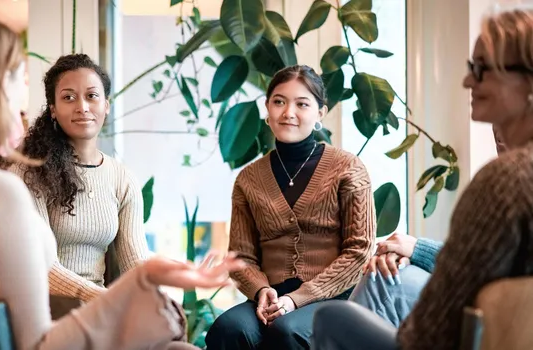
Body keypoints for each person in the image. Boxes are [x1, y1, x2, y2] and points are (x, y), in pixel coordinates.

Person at [0, 15, 244, 350]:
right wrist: (142, 281)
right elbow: (40, 345)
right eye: (19, 78)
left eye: (92, 96)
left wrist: (144, 277)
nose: (22, 93)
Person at [313, 5, 533, 350]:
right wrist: (416, 251)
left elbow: (445, 305)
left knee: (334, 315)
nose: (467, 81)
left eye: (481, 69)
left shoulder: (507, 180)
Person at [205, 65, 376, 350]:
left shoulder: (348, 168)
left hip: (333, 298)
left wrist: (297, 299)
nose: (289, 113)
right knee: (229, 329)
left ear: (320, 113)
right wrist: (262, 291)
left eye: (302, 104)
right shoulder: (249, 179)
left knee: (288, 332)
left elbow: (359, 251)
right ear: (267, 109)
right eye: (279, 102)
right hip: (269, 297)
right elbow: (241, 257)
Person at [9, 54, 150, 303]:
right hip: (42, 306)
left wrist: (156, 293)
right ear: (53, 109)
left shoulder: (122, 178)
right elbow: (42, 266)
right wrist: (103, 300)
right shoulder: (29, 172)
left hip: (99, 305)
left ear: (106, 105)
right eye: (68, 97)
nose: (82, 106)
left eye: (92, 96)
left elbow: (135, 262)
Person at [350, 125, 508, 328]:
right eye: (497, 136)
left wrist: (418, 250)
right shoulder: (501, 184)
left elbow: (494, 267)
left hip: (503, 309)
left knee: (383, 284)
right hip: (482, 295)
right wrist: (402, 254)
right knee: (385, 273)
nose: (500, 143)